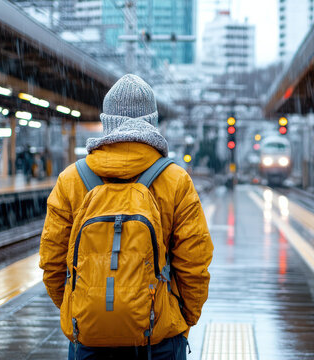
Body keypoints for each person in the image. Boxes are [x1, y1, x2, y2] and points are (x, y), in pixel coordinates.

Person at [39, 74, 213, 360]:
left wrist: (80, 308)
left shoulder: (71, 180)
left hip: (89, 340)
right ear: (152, 122)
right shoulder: (175, 180)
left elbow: (52, 262)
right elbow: (195, 262)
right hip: (158, 340)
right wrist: (180, 318)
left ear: (107, 122)